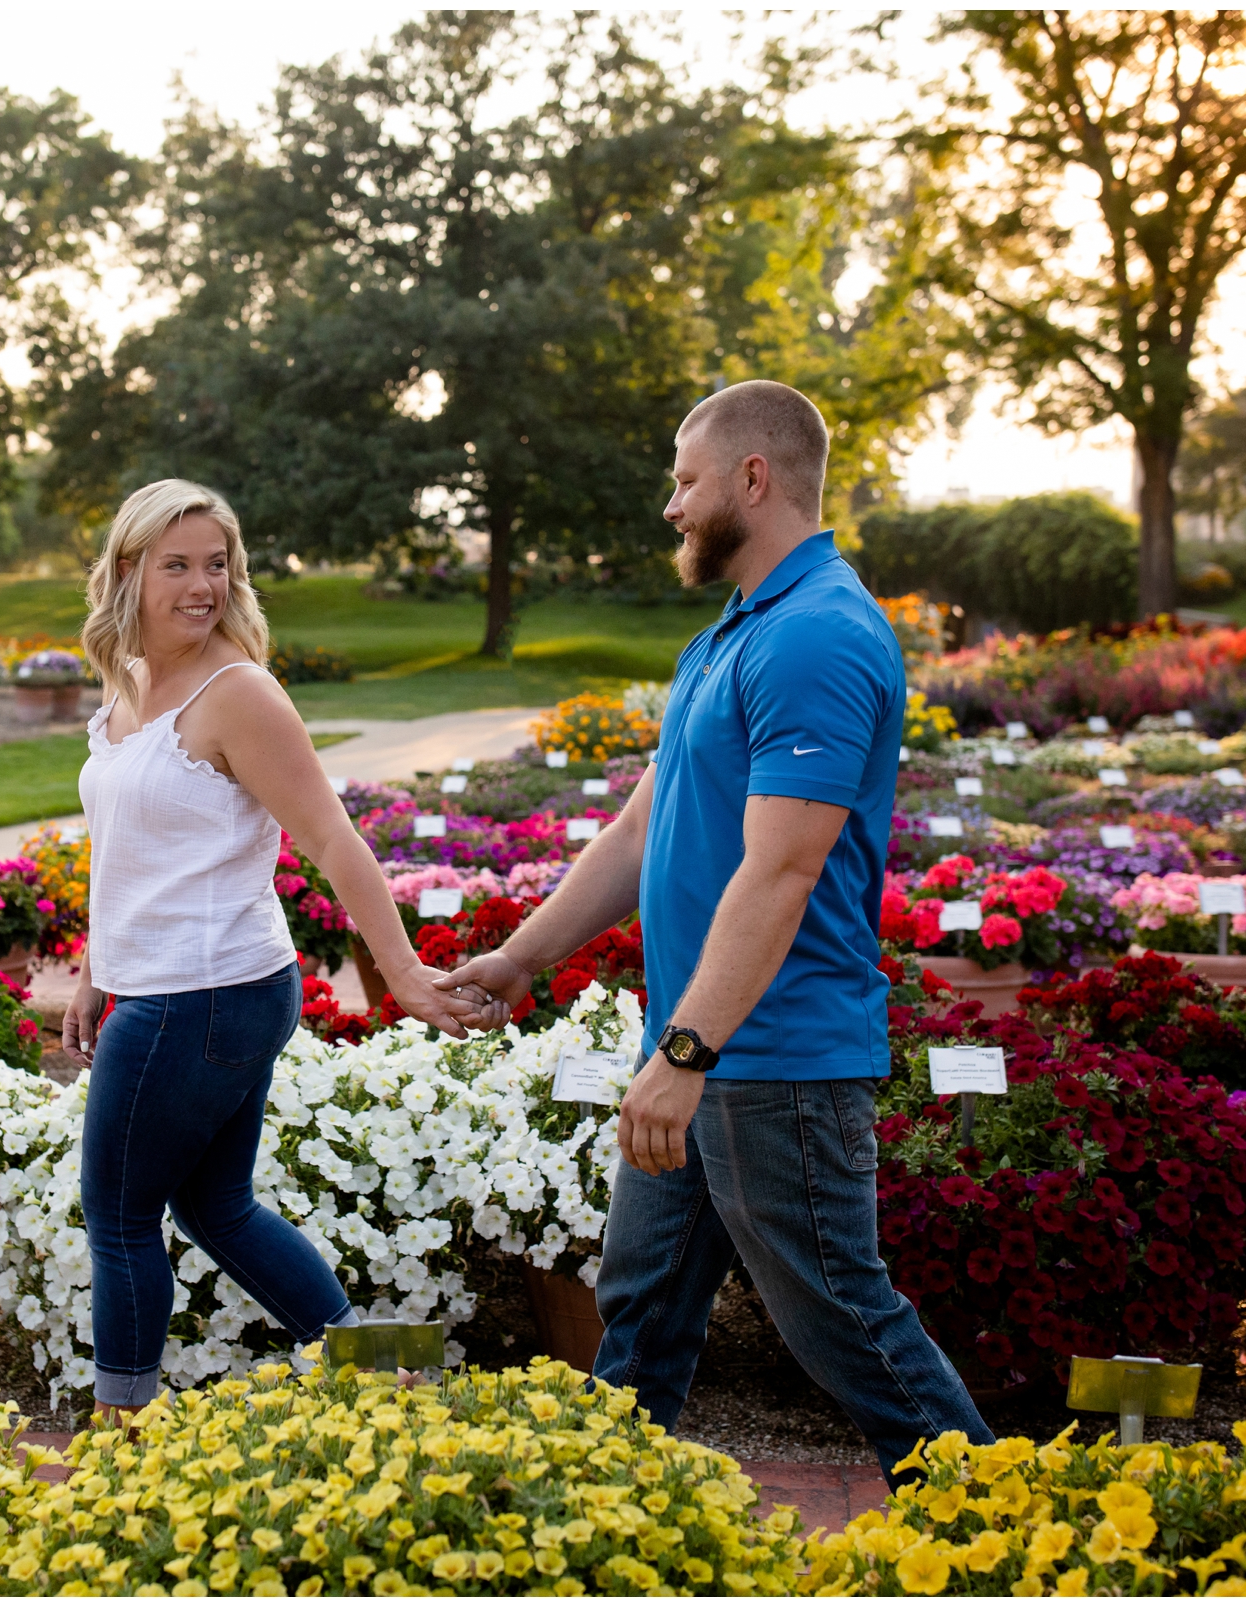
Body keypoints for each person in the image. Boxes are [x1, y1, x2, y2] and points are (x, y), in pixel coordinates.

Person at [443, 381, 993, 1472]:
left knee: (847, 1323)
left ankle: (1014, 1541)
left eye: (686, 480)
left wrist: (688, 1049)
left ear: (755, 477)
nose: (672, 507)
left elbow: (782, 872)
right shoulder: (733, 634)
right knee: (638, 1314)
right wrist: (522, 957)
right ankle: (599, 1532)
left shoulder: (819, 634)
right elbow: (646, 825)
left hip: (771, 1058)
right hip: (698, 1052)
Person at [63, 477, 483, 1422]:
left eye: (217, 564)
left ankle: (116, 1437)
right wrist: (95, 971)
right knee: (216, 1208)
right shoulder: (131, 682)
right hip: (191, 989)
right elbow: (127, 846)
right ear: (129, 570)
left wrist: (404, 973)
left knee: (120, 1216)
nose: (202, 585)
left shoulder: (238, 694)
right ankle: (381, 1379)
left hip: (204, 996)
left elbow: (334, 839)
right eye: (177, 564)